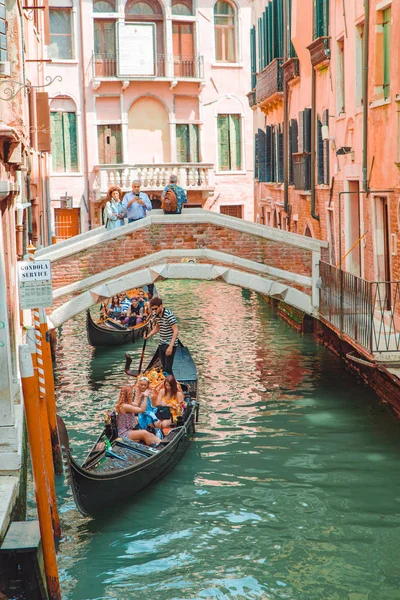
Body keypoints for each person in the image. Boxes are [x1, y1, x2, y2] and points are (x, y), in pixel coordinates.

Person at [115, 380, 160, 445]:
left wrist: (141, 395)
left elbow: (137, 404)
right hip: (124, 433)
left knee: (148, 432)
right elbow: (142, 410)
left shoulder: (127, 403)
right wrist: (146, 396)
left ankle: (159, 442)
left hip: (130, 430)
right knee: (144, 433)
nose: (133, 395)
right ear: (128, 395)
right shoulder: (124, 406)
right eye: (132, 394)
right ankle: (159, 444)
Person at [145, 297, 180, 375]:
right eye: (152, 309)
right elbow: (158, 327)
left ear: (161, 306)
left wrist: (171, 346)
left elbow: (176, 330)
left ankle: (171, 384)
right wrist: (148, 335)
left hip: (170, 343)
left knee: (168, 368)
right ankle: (166, 383)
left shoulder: (168, 315)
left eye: (155, 309)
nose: (154, 311)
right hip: (162, 343)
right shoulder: (157, 315)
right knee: (164, 367)